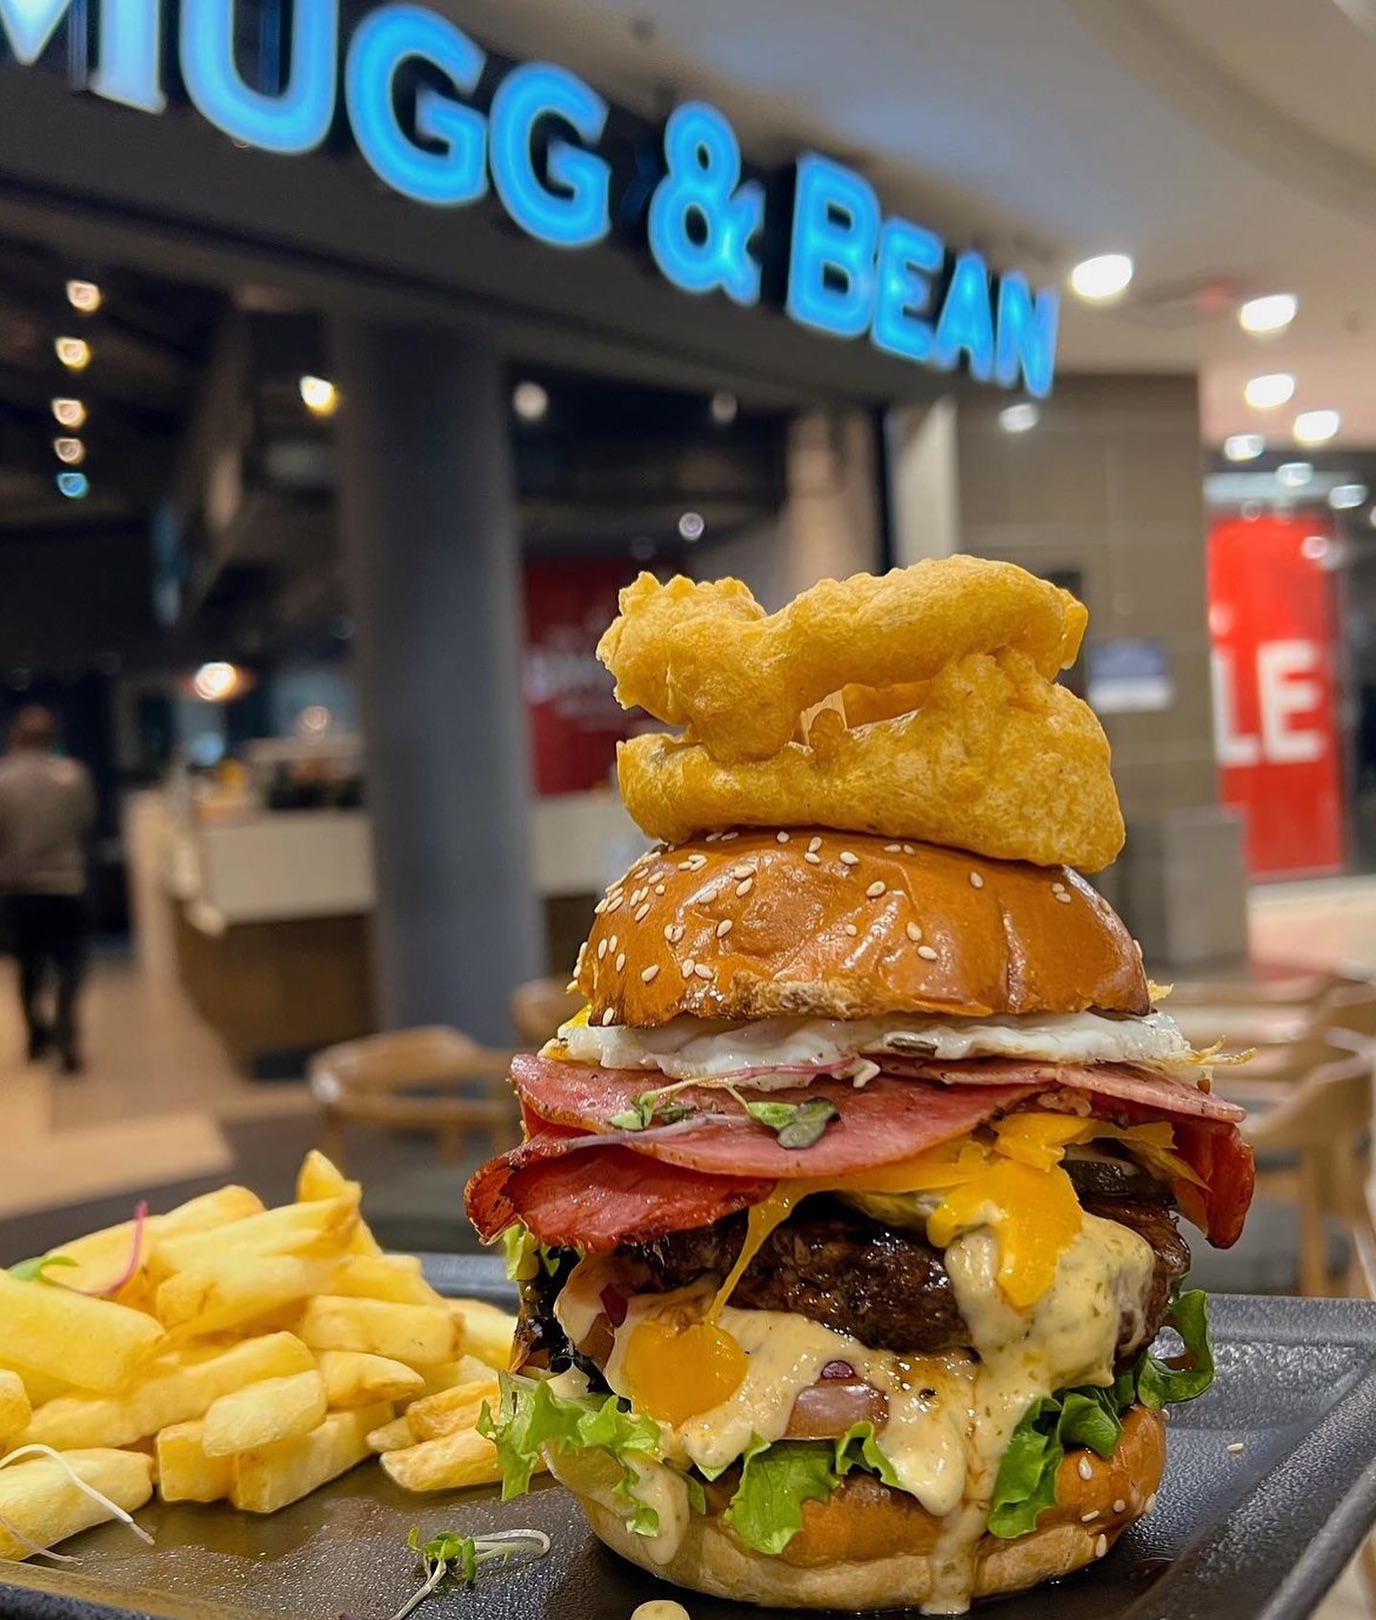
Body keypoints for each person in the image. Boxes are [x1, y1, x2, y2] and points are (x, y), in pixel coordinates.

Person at [0, 706, 95, 1073]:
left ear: (15, 737)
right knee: (71, 963)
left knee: (27, 965)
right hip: (65, 883)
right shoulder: (73, 776)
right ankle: (65, 1026)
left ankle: (36, 1032)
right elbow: (84, 822)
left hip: (17, 887)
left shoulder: (3, 779)